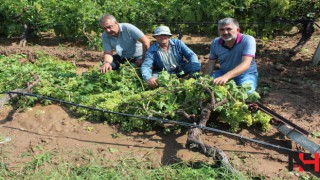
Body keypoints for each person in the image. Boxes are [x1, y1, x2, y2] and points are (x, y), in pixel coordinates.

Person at [204, 17, 258, 92]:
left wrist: (226, 77)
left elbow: (246, 63)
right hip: (223, 73)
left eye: (229, 29)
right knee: (206, 87)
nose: (225, 32)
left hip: (245, 75)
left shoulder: (247, 40)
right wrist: (205, 79)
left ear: (238, 30)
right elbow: (211, 63)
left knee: (247, 93)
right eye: (222, 30)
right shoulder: (215, 42)